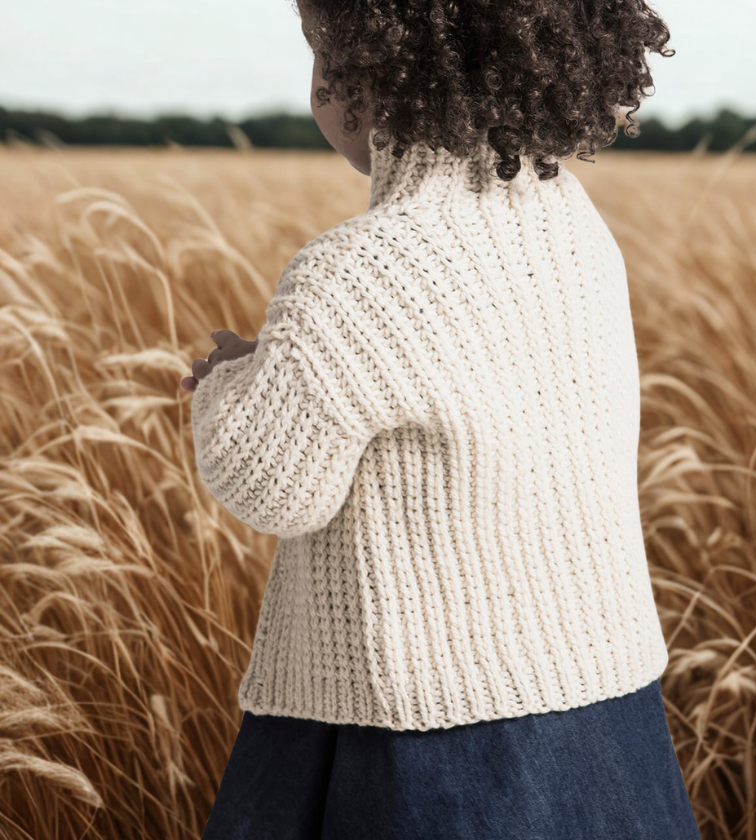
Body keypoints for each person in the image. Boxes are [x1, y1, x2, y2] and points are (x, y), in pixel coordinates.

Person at [183, 1, 703, 837]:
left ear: (371, 66)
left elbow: (271, 482)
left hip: (423, 737)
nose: (316, 81)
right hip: (610, 726)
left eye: (324, 51)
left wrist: (225, 382)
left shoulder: (356, 268)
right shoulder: (574, 225)